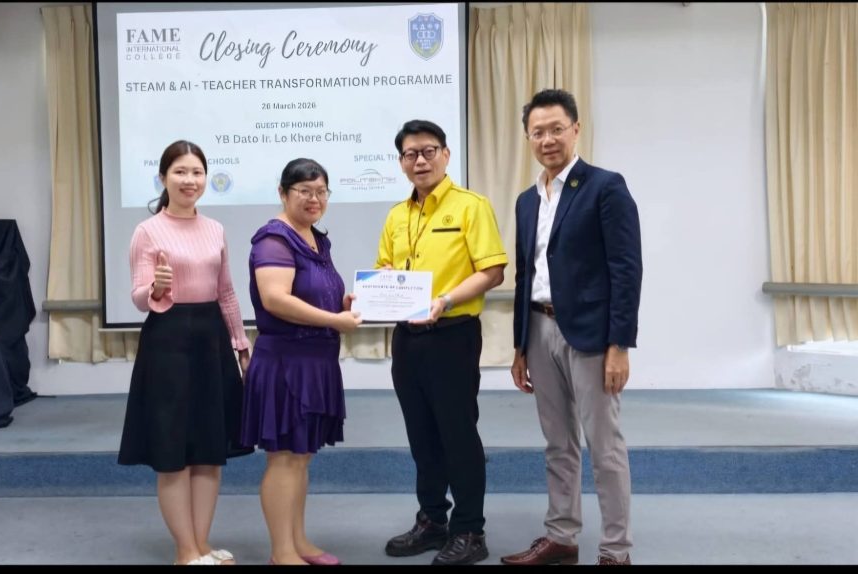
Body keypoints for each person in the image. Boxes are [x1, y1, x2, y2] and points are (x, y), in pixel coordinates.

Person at [502, 88, 642, 566]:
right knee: (557, 444)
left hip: (591, 337)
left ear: (576, 129)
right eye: (537, 131)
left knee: (604, 448)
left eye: (556, 129)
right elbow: (525, 273)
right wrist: (520, 346)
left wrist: (619, 344)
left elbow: (626, 269)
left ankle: (616, 551)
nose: (547, 139)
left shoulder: (605, 187)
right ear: (527, 137)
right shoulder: (526, 200)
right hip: (539, 331)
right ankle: (561, 536)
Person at [376, 120, 507, 566]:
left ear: (446, 155)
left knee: (458, 434)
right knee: (421, 435)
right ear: (401, 162)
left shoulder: (471, 206)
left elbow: (492, 271)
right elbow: (385, 267)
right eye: (410, 154)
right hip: (407, 339)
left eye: (428, 151)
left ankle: (470, 530)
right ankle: (432, 520)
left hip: (452, 335)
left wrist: (446, 299)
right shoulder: (397, 215)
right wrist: (381, 283)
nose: (420, 160)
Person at [117, 140, 253, 566]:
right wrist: (156, 288)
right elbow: (138, 297)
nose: (189, 180)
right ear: (163, 178)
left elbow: (226, 292)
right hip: (168, 343)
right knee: (173, 452)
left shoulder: (215, 229)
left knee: (210, 449)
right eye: (180, 171)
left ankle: (203, 544)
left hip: (212, 341)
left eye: (197, 172)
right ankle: (184, 550)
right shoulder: (148, 231)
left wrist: (240, 343)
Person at [240, 158, 361, 566]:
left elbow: (314, 292)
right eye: (304, 191)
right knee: (284, 458)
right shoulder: (273, 240)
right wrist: (335, 320)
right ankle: (282, 552)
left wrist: (342, 304)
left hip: (316, 361)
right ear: (283, 193)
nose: (314, 199)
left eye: (321, 191)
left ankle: (299, 542)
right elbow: (276, 300)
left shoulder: (315, 239)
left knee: (302, 456)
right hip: (286, 364)